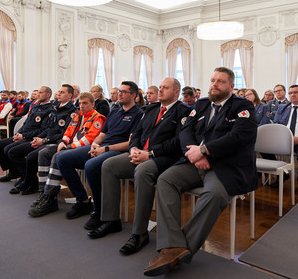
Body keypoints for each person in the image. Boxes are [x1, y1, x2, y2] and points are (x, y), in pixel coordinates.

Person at [143, 67, 258, 276]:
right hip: (195, 162)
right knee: (166, 179)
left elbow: (240, 136)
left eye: (220, 81)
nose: (214, 84)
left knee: (214, 194)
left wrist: (205, 151)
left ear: (231, 86)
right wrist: (194, 154)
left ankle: (176, 250)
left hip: (225, 166)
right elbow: (186, 130)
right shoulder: (202, 104)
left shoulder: (243, 106)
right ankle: (173, 244)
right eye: (213, 80)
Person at [89, 78, 191, 256]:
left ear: (176, 92)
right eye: (159, 87)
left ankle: (139, 232)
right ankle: (111, 219)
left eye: (165, 88)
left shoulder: (184, 111)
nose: (160, 90)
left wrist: (150, 154)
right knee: (109, 165)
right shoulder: (151, 109)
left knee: (142, 171)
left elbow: (178, 142)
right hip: (139, 153)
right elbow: (137, 132)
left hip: (163, 158)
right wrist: (134, 148)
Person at [37, 81, 143, 230]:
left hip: (117, 150)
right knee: (61, 158)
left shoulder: (138, 114)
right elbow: (102, 134)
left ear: (133, 95)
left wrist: (104, 149)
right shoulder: (115, 111)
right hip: (101, 147)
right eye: (119, 91)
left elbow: (130, 143)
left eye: (124, 92)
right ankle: (83, 201)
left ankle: (99, 211)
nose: (119, 94)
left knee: (91, 165)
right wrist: (95, 144)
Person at [28, 92, 106, 217]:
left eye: (85, 103)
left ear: (93, 104)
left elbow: (89, 140)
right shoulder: (77, 116)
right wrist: (64, 141)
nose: (81, 106)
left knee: (57, 156)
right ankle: (45, 194)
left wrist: (69, 146)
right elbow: (68, 131)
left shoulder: (98, 118)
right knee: (44, 153)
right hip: (68, 146)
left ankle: (53, 197)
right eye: (80, 103)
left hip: (84, 149)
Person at [6, 85, 77, 195]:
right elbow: (48, 128)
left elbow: (64, 134)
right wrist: (39, 138)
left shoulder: (72, 112)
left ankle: (30, 183)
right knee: (15, 152)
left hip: (56, 143)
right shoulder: (57, 108)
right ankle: (29, 182)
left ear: (70, 96)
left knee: (30, 156)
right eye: (59, 91)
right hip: (45, 139)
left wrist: (44, 140)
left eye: (62, 92)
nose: (58, 94)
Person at [0, 86, 55, 183]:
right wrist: (18, 133)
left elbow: (42, 130)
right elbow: (26, 123)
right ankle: (14, 171)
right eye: (38, 93)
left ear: (48, 95)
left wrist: (24, 136)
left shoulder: (49, 109)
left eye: (40, 92)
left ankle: (28, 178)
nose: (38, 95)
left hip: (31, 137)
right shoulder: (36, 106)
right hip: (23, 135)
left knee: (9, 150)